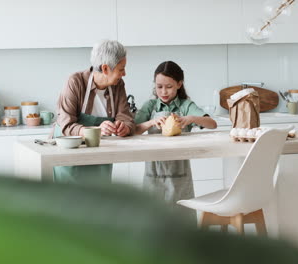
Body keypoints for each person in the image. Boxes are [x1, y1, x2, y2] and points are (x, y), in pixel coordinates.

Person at [134, 61, 217, 223]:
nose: (163, 91)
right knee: (153, 219)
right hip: (153, 172)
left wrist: (190, 118)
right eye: (159, 86)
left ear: (179, 84)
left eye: (169, 86)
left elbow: (212, 124)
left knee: (181, 219)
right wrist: (151, 122)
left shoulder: (186, 106)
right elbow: (135, 129)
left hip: (180, 173)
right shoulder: (150, 106)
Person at [53, 40, 135, 184]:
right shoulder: (75, 82)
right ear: (105, 69)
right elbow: (66, 125)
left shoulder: (118, 85)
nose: (124, 73)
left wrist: (124, 126)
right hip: (72, 156)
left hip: (101, 156)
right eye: (121, 69)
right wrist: (95, 131)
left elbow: (125, 116)